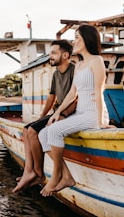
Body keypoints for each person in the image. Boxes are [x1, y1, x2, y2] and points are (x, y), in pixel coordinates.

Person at [38, 24, 116, 197]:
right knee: (44, 133)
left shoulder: (97, 61)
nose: (75, 41)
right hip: (80, 113)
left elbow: (98, 92)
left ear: (87, 39)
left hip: (92, 114)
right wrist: (57, 113)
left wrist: (102, 121)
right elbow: (72, 93)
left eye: (78, 37)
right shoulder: (79, 64)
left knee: (55, 131)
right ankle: (66, 176)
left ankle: (56, 175)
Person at [12, 39, 76, 193]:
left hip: (68, 112)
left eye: (54, 53)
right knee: (27, 129)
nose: (50, 56)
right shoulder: (56, 74)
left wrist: (61, 114)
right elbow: (51, 97)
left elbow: (76, 97)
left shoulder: (74, 71)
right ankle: (29, 171)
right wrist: (41, 117)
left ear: (66, 55)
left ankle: (39, 173)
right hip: (57, 111)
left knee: (34, 131)